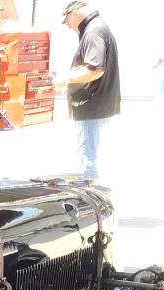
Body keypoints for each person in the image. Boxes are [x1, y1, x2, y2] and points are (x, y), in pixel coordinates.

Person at [54, 1, 120, 182]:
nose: (68, 26)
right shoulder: (96, 28)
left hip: (91, 107)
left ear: (74, 13)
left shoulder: (93, 32)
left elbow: (95, 70)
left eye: (67, 21)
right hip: (96, 105)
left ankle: (89, 191)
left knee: (87, 167)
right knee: (88, 158)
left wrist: (65, 78)